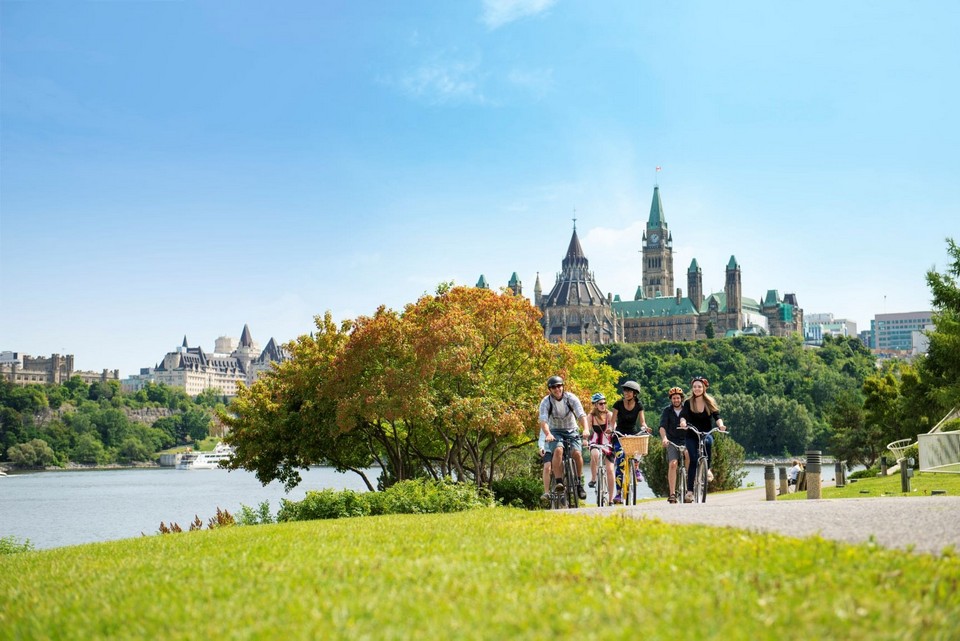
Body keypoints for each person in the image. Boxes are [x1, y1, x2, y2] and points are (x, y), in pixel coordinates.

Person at [538, 375, 590, 502]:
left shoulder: (571, 398)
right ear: (550, 390)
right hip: (555, 431)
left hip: (571, 429)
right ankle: (559, 482)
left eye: (559, 386)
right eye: (554, 387)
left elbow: (581, 415)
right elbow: (543, 421)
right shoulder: (546, 402)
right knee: (558, 450)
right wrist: (548, 434)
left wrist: (586, 429)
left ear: (563, 386)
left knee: (577, 453)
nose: (557, 389)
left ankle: (579, 483)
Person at [679, 375, 726, 503]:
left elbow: (717, 416)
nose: (697, 389)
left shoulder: (709, 402)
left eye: (699, 386)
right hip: (691, 434)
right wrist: (683, 422)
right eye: (695, 387)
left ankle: (707, 468)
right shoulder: (688, 402)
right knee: (693, 460)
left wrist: (721, 425)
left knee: (708, 442)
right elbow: (683, 415)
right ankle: (690, 492)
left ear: (704, 388)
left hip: (706, 433)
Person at [611, 380, 649, 504]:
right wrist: (610, 429)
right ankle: (618, 493)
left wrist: (645, 427)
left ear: (635, 393)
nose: (626, 393)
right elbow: (612, 422)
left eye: (629, 391)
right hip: (619, 435)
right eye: (625, 390)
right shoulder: (618, 404)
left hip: (632, 433)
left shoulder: (639, 405)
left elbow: (642, 422)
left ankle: (636, 467)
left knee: (640, 447)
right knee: (621, 460)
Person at [658, 386, 687, 504]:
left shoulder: (687, 409)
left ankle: (690, 483)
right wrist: (664, 438)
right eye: (674, 398)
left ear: (681, 398)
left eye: (678, 398)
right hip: (672, 441)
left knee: (689, 455)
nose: (676, 400)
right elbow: (662, 427)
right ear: (671, 399)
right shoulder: (667, 411)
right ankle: (672, 494)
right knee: (673, 464)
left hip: (686, 440)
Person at [587, 392, 616, 505]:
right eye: (600, 403)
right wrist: (585, 436)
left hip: (608, 443)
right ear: (595, 405)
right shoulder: (591, 416)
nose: (603, 405)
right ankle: (594, 478)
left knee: (610, 470)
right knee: (595, 454)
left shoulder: (609, 415)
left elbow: (613, 426)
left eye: (604, 403)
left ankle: (611, 499)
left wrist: (611, 429)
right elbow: (587, 429)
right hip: (595, 442)